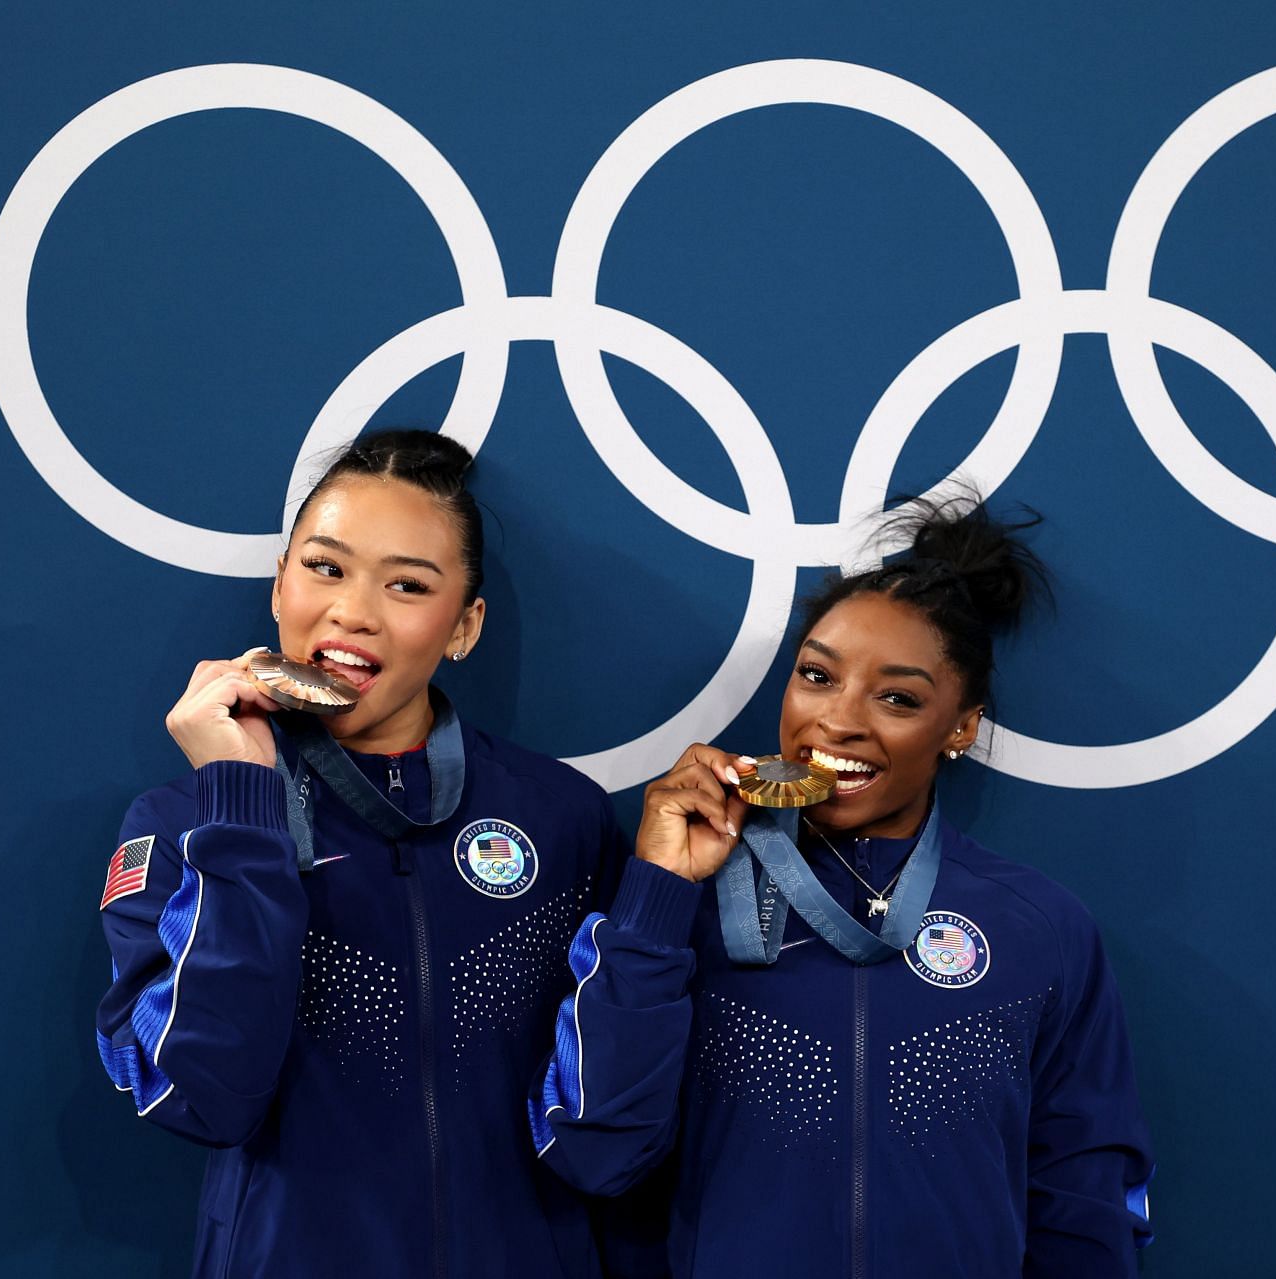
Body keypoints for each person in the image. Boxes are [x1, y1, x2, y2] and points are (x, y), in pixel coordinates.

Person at [530, 494, 1155, 1277]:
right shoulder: (682, 896)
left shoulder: (1042, 927)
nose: (839, 722)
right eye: (818, 676)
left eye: (898, 697)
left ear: (960, 727)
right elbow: (595, 1150)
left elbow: (1084, 1203)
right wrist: (657, 893)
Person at [93, 429, 628, 1279]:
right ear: (279, 583)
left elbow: (614, 1119)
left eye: (408, 584)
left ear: (464, 625)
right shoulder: (184, 819)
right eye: (325, 567)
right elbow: (204, 1093)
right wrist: (241, 807)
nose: (353, 611)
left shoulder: (564, 818)